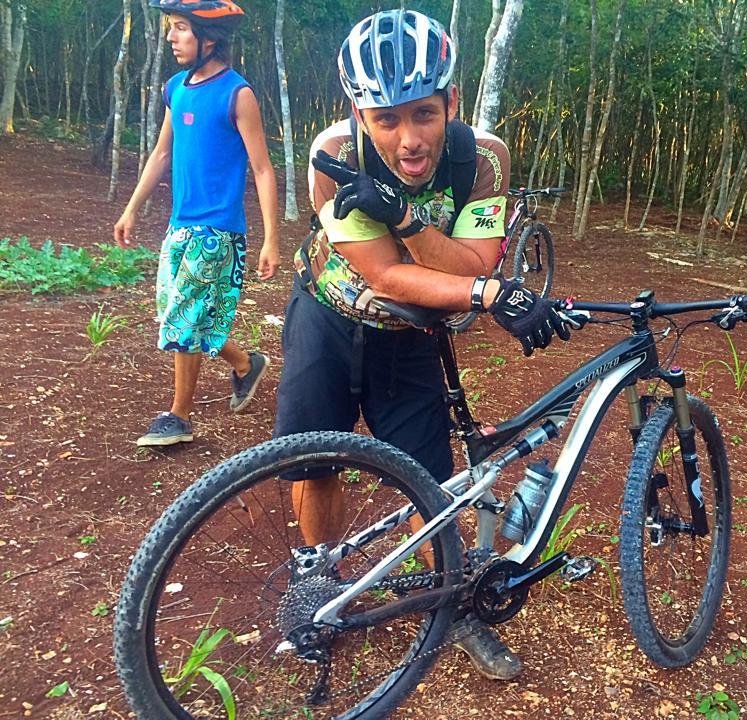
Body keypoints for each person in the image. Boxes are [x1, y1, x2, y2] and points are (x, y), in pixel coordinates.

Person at [273, 9, 574, 682]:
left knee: (430, 483)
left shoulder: (483, 159)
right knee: (315, 463)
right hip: (327, 315)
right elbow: (382, 273)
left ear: (451, 103)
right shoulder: (335, 155)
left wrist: (404, 215)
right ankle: (321, 586)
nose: (408, 139)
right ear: (359, 114)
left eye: (423, 115)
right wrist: (490, 295)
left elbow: (470, 263)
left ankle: (451, 605)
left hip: (412, 335)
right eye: (386, 119)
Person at [114, 0, 279, 447]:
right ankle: (246, 364)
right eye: (172, 28)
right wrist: (132, 209)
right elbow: (162, 153)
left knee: (184, 319)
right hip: (180, 225)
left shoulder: (237, 94)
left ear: (210, 38)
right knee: (183, 316)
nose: (172, 37)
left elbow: (262, 168)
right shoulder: (176, 88)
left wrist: (270, 239)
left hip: (219, 229)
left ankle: (179, 417)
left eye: (181, 28)